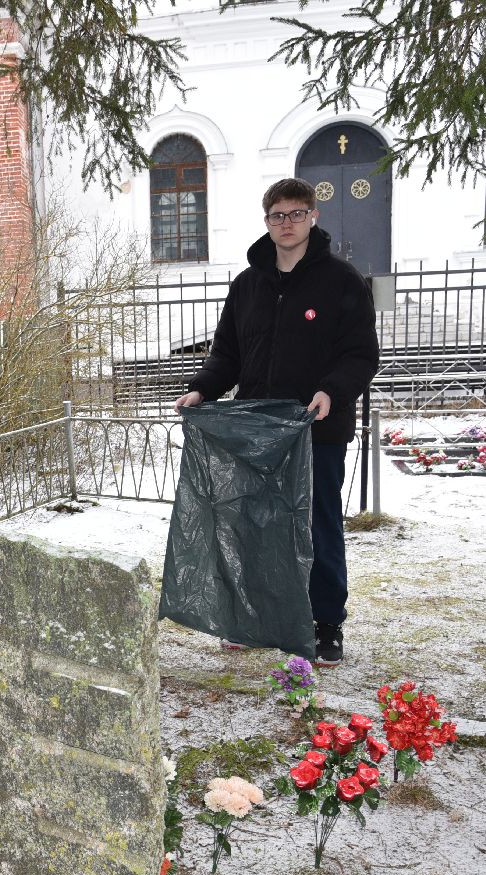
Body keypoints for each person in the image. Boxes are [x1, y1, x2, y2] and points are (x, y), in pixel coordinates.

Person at [174, 178, 379, 666]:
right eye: (277, 216)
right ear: (266, 221)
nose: (287, 224)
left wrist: (331, 391)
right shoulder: (248, 285)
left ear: (314, 216)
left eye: (296, 213)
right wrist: (203, 388)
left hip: (316, 431)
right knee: (253, 523)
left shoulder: (341, 280)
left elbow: (360, 354)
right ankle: (252, 615)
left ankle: (325, 621)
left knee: (317, 524)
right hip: (257, 431)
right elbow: (227, 351)